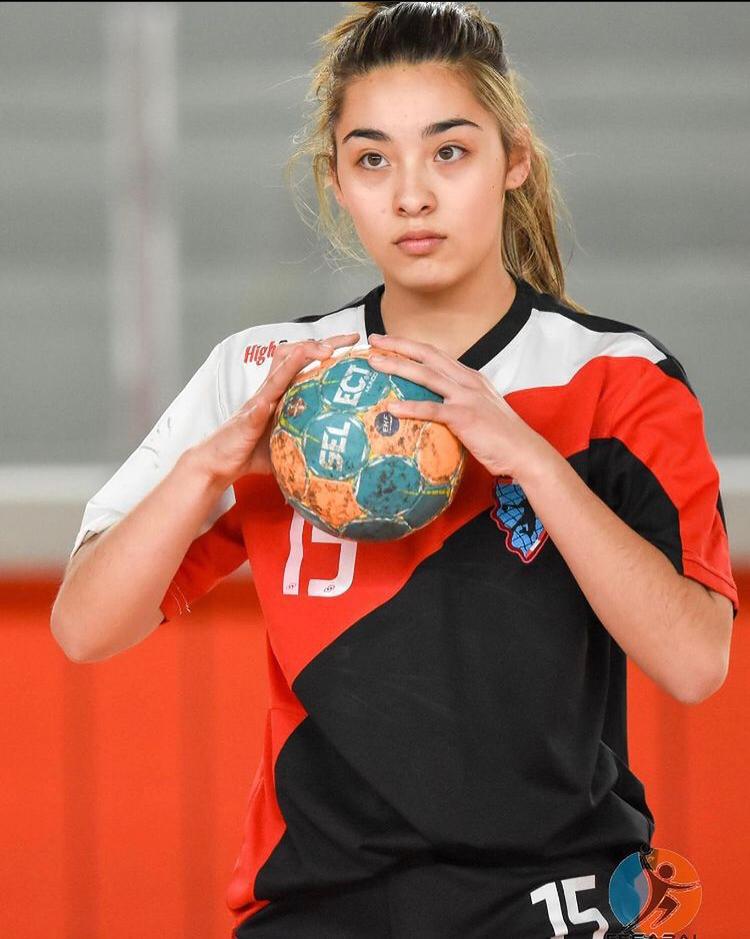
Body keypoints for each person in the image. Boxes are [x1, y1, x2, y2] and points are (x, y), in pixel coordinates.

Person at [52, 2, 739, 937]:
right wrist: (208, 468)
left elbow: (698, 663)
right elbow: (85, 629)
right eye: (372, 158)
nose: (411, 194)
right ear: (337, 180)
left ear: (515, 161)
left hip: (557, 896)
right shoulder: (269, 375)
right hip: (320, 904)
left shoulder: (616, 379)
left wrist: (530, 459)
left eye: (449, 152)